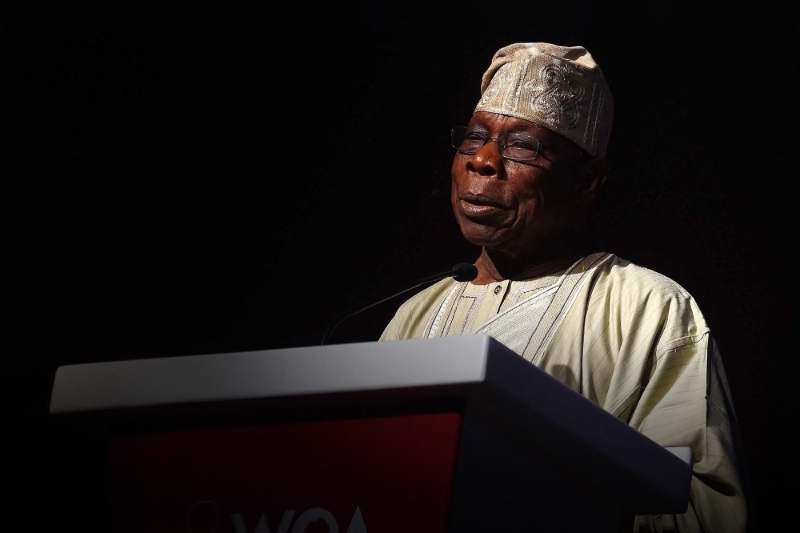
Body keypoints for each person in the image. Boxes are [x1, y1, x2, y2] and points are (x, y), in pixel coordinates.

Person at [380, 43, 749, 532]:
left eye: (522, 146)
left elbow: (703, 513)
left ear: (587, 181)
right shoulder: (414, 315)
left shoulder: (646, 308)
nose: (484, 161)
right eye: (474, 138)